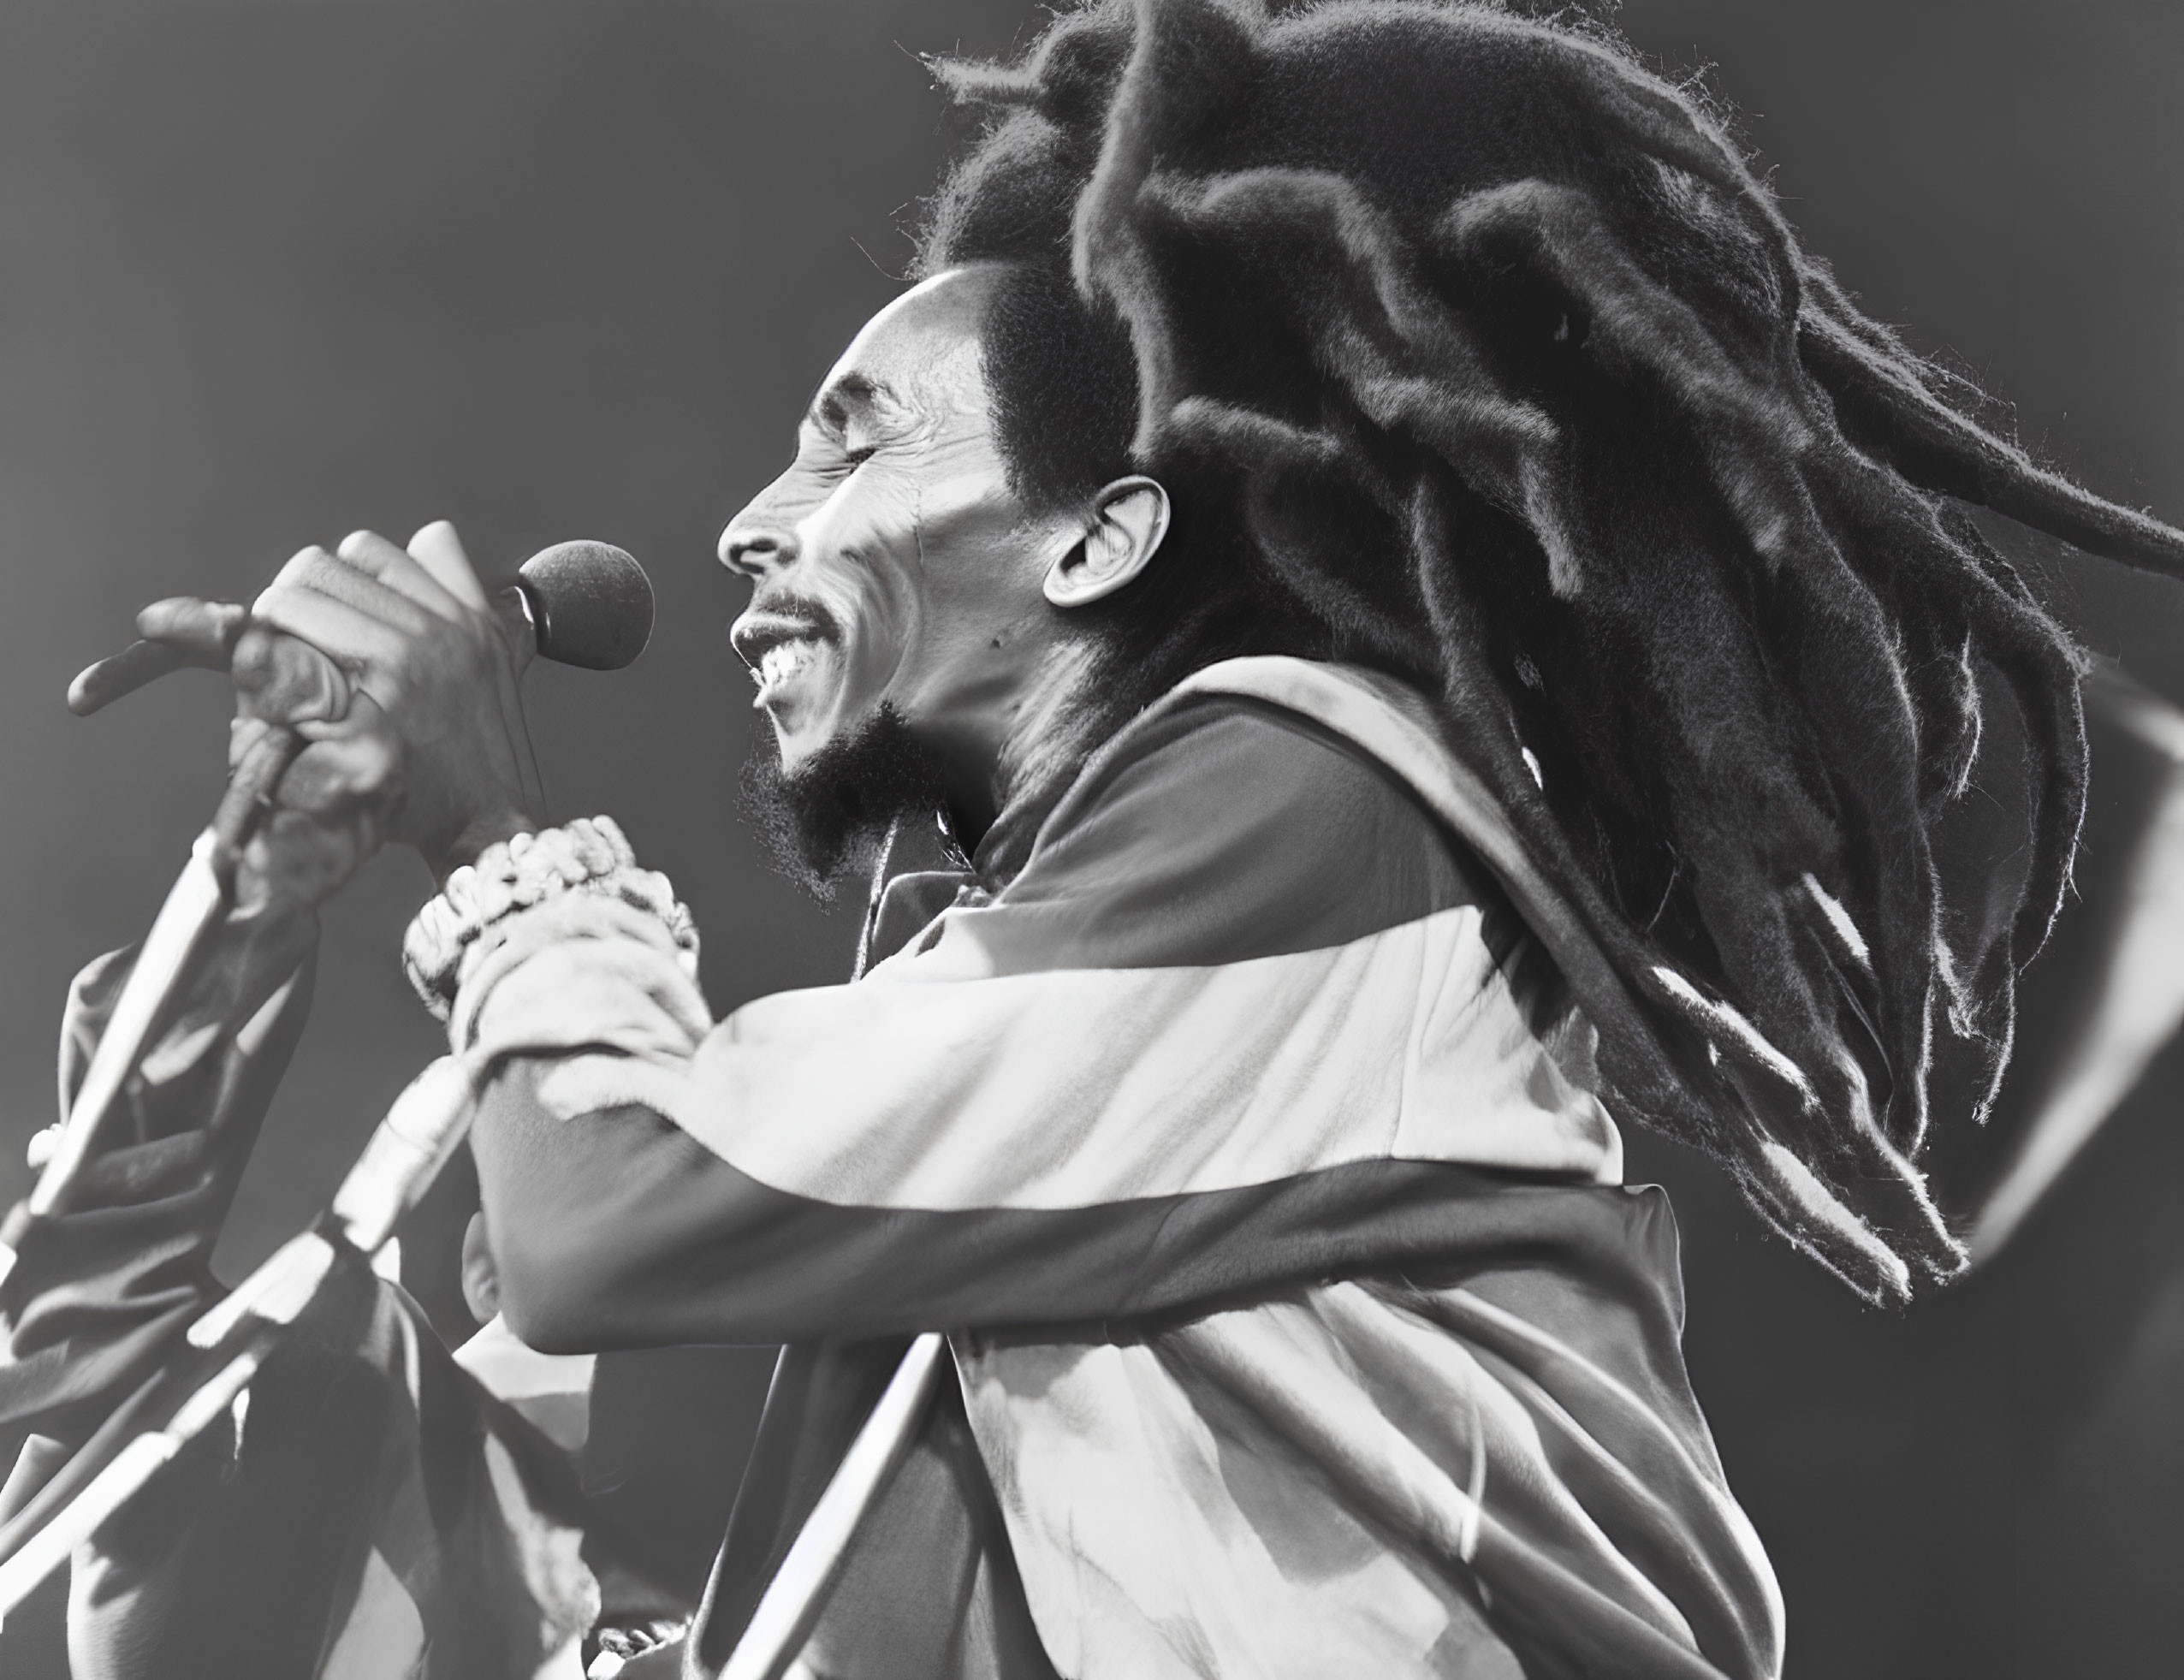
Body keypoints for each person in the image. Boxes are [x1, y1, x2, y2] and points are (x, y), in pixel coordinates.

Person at [7, 2, 2182, 1676]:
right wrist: (247, 915)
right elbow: (144, 1475)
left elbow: (612, 1208)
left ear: (1100, 537)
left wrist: (493, 832)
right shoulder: (996, 1144)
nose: (754, 528)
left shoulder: (1317, 804)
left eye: (848, 442)